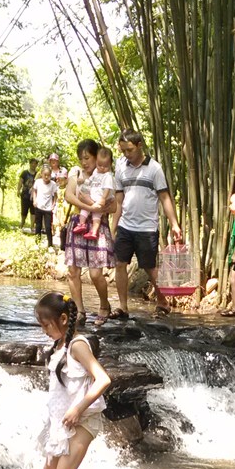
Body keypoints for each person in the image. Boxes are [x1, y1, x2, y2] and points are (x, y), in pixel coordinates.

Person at [35, 292, 111, 469]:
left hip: (84, 420)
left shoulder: (77, 345)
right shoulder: (59, 346)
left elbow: (103, 379)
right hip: (62, 421)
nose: (44, 330)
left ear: (64, 319)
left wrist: (78, 408)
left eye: (46, 325)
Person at [112, 129, 182, 319]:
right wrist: (114, 228)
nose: (127, 154)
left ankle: (162, 302)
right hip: (126, 226)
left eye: (130, 150)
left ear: (139, 145)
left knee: (150, 268)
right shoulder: (121, 168)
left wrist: (174, 224)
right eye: (123, 150)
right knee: (120, 264)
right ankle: (123, 307)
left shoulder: (154, 169)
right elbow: (119, 201)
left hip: (147, 228)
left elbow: (165, 197)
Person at [63, 139, 115, 327]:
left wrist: (97, 208)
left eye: (87, 158)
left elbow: (114, 205)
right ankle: (79, 310)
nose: (84, 162)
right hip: (78, 222)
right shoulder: (75, 174)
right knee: (73, 271)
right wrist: (88, 205)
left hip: (97, 224)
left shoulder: (105, 176)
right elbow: (68, 195)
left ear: (96, 157)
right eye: (81, 158)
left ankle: (104, 305)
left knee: (95, 273)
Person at [73, 146, 116, 240]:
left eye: (105, 166)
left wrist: (103, 198)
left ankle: (94, 231)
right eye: (100, 165)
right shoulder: (96, 172)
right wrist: (83, 182)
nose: (102, 168)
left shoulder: (108, 176)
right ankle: (81, 224)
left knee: (97, 215)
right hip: (93, 197)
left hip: (100, 199)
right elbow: (90, 181)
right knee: (85, 211)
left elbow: (107, 189)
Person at [32, 164, 58, 248]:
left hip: (48, 208)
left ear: (51, 175)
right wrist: (34, 200)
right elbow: (34, 191)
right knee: (38, 225)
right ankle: (37, 243)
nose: (46, 177)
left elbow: (55, 195)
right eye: (45, 175)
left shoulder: (53, 184)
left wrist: (54, 204)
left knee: (47, 227)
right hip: (39, 206)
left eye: (48, 175)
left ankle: (50, 245)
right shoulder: (38, 182)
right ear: (41, 174)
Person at [17, 159, 38, 228]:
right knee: (24, 210)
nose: (33, 165)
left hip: (34, 196)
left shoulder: (37, 174)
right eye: (32, 163)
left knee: (33, 211)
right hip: (25, 194)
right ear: (30, 164)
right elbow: (20, 181)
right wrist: (18, 190)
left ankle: (32, 226)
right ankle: (22, 222)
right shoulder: (24, 173)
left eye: (35, 164)